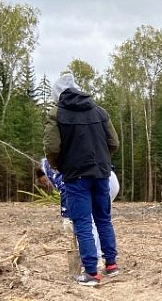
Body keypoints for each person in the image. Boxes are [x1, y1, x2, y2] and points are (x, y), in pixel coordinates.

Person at [43, 74, 120, 286]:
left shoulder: (57, 114)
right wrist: (102, 159)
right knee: (103, 218)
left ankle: (91, 272)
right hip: (101, 173)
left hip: (76, 175)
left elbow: (52, 147)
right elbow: (113, 142)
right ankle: (111, 265)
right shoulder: (99, 111)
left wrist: (60, 166)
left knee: (83, 222)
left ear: (57, 94)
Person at [35, 157, 120, 262]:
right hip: (107, 176)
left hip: (94, 179)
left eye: (43, 181)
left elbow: (64, 187)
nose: (47, 184)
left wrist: (66, 215)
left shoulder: (48, 166)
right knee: (101, 219)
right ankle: (107, 256)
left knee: (87, 221)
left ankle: (94, 258)